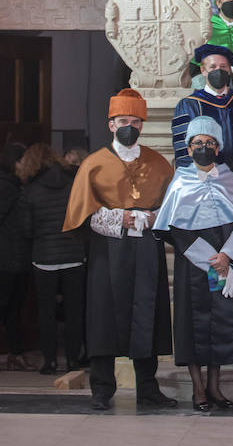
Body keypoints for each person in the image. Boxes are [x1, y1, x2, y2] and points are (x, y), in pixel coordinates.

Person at [62, 89, 176, 412]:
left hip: (145, 250)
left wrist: (151, 217)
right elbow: (84, 213)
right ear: (110, 124)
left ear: (142, 124)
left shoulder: (158, 163)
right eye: (123, 121)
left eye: (135, 121)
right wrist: (123, 217)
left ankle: (148, 388)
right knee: (103, 316)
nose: (130, 126)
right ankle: (101, 387)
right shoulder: (93, 164)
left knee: (147, 314)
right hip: (107, 251)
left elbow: (170, 209)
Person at [154, 118, 233, 411]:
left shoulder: (232, 180)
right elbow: (172, 228)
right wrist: (208, 258)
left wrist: (227, 256)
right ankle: (198, 388)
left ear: (218, 148)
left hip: (227, 262)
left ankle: (215, 385)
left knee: (223, 324)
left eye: (209, 143)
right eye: (198, 143)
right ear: (189, 150)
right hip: (193, 264)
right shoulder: (180, 182)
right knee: (194, 325)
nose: (204, 148)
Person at [18, 145, 86, 374]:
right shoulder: (73, 181)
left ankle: (50, 361)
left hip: (44, 258)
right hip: (74, 255)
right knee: (74, 312)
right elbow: (82, 217)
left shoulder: (30, 189)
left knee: (46, 312)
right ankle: (74, 359)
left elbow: (26, 229)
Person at [172, 43, 233, 167]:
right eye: (213, 67)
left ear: (229, 70)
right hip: (202, 177)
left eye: (223, 66)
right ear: (203, 70)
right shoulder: (189, 105)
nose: (218, 71)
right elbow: (183, 150)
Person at [0, 142, 32, 371]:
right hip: (8, 258)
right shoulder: (8, 187)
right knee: (9, 307)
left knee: (13, 308)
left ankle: (15, 353)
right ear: (16, 162)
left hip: (14, 257)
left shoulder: (15, 186)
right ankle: (15, 353)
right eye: (23, 160)